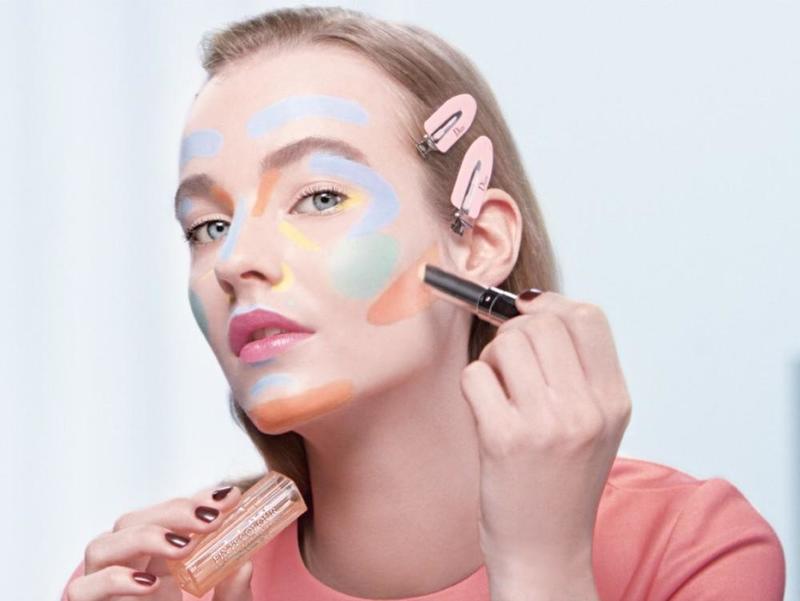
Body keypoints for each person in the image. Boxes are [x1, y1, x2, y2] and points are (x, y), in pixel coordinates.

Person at [60, 6, 786, 601]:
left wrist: (541, 565)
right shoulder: (166, 583)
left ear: (480, 242)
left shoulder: (689, 548)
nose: (235, 259)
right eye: (208, 226)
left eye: (320, 197)